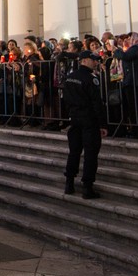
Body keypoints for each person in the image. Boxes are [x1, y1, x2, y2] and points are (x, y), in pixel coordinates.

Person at [61, 51, 105, 198]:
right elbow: (96, 102)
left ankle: (69, 183)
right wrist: (102, 124)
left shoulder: (70, 77)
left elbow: (65, 99)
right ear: (85, 60)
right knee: (90, 153)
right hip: (89, 120)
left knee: (74, 152)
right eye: (93, 60)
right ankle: (87, 186)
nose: (96, 62)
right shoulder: (91, 78)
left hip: (74, 118)